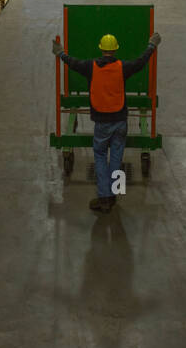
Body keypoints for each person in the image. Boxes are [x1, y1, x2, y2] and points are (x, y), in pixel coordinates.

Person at [52, 30, 161, 213]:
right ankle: (114, 195)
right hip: (120, 121)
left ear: (101, 49)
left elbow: (73, 63)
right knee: (117, 158)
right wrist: (152, 45)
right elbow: (140, 63)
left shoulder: (90, 67)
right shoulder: (122, 67)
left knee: (101, 157)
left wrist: (60, 53)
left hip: (102, 123)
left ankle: (104, 198)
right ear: (115, 50)